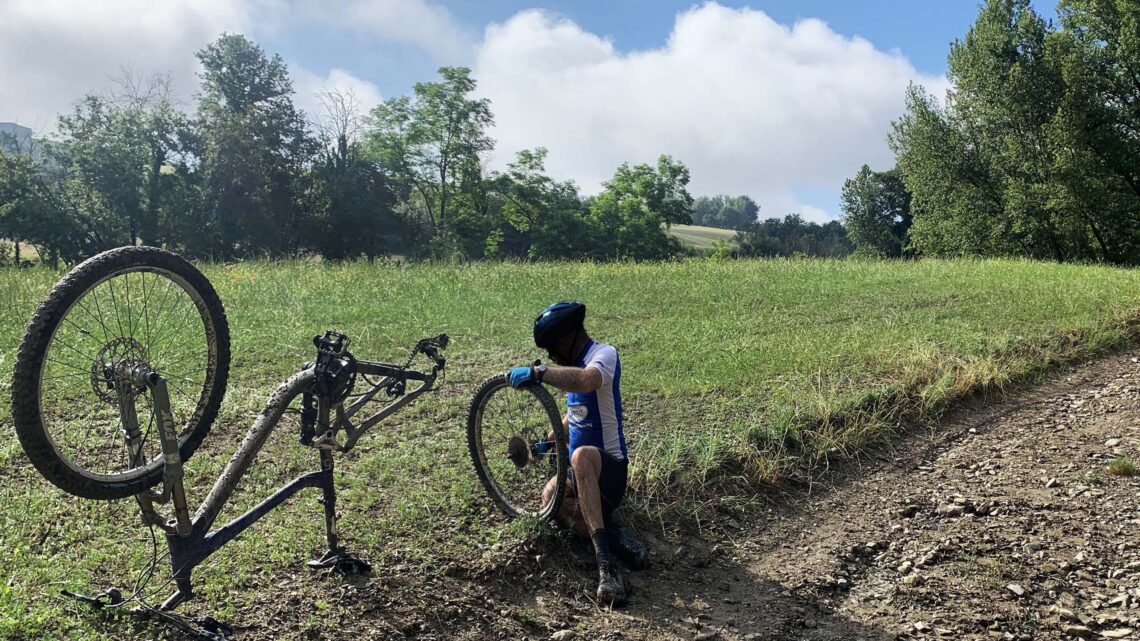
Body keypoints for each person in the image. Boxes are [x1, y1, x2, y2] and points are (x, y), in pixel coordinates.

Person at [507, 301, 646, 605]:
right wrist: (544, 444)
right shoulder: (574, 371)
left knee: (581, 455)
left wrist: (539, 373)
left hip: (609, 471)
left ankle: (606, 569)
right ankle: (614, 535)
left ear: (565, 340)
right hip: (579, 471)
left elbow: (585, 381)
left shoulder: (603, 355)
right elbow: (573, 418)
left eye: (552, 352)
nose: (552, 358)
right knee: (549, 500)